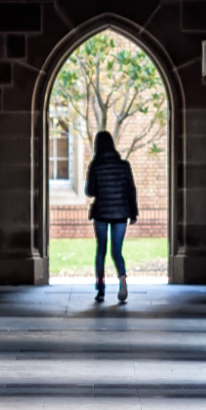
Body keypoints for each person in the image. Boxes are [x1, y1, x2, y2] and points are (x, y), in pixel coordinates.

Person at [84, 130, 139, 304]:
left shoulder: (95, 165)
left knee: (101, 251)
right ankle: (122, 278)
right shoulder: (124, 165)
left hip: (101, 212)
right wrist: (133, 212)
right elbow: (131, 190)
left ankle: (100, 290)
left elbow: (90, 191)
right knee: (117, 251)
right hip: (121, 213)